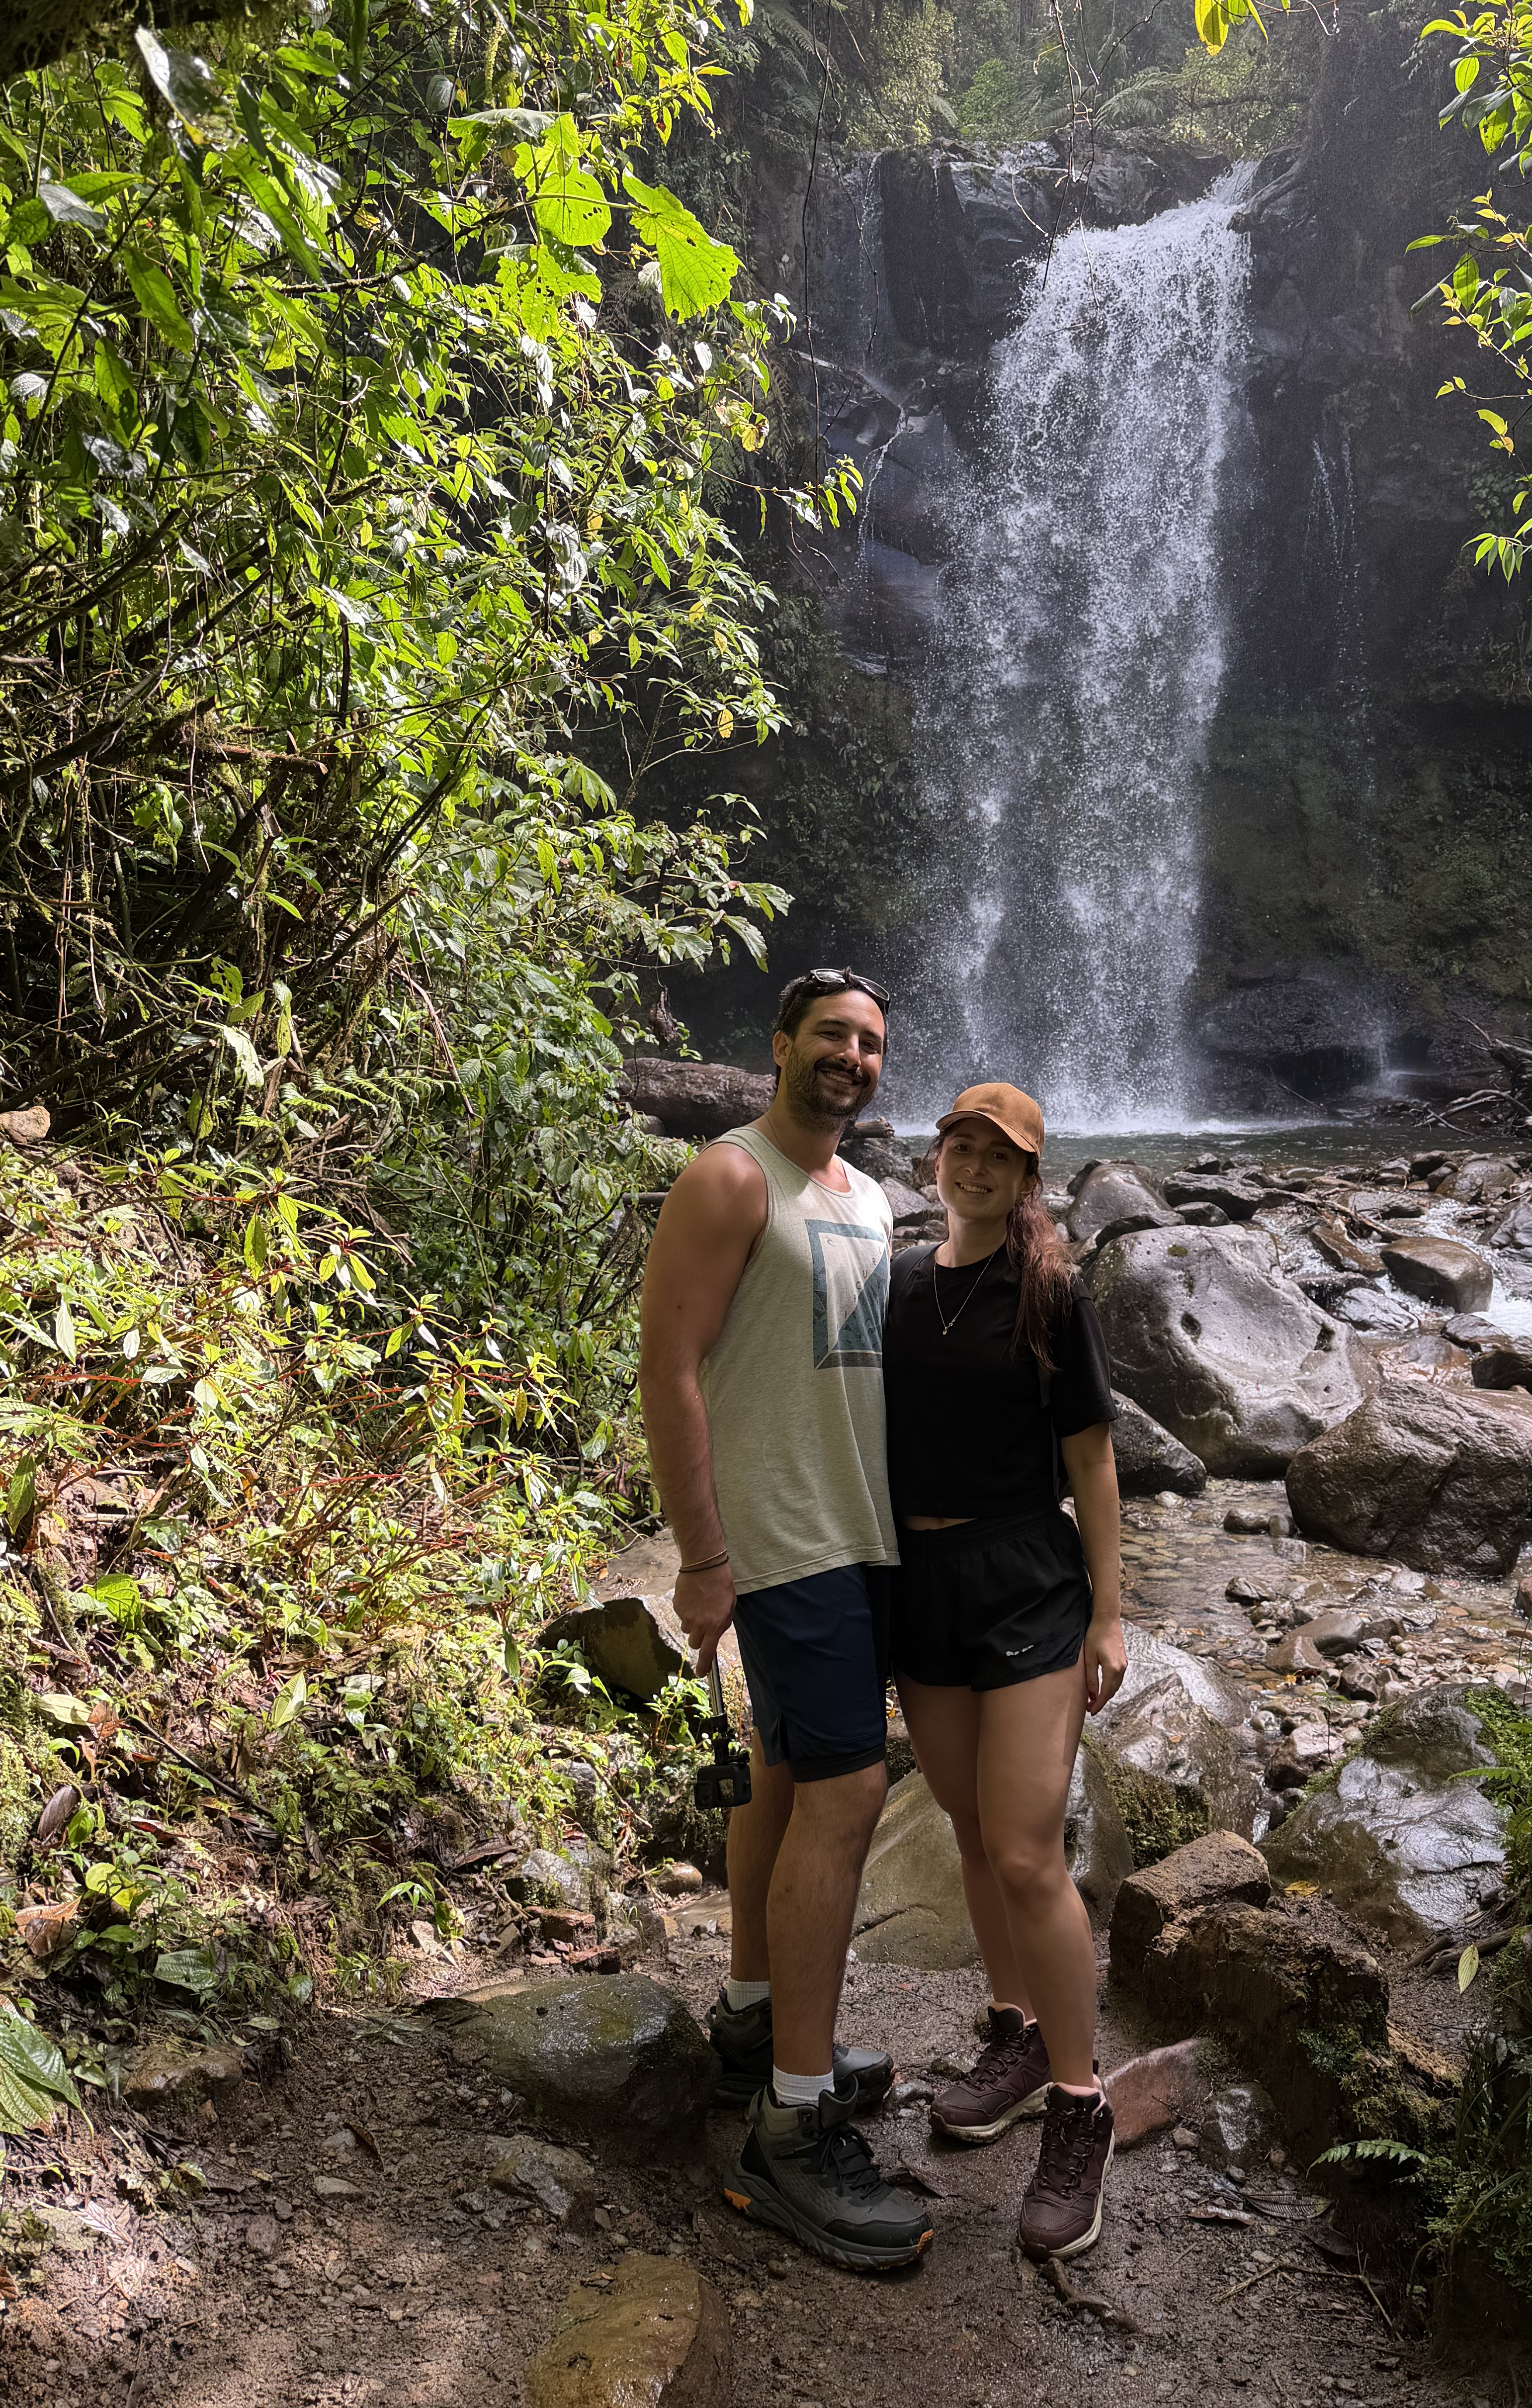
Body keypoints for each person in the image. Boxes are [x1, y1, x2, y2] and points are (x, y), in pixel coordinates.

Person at [636, 966, 933, 2274]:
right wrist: (703, 1556)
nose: (851, 1059)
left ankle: (757, 2024)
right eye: (830, 1036)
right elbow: (669, 1365)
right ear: (778, 1047)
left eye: (869, 1044)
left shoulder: (865, 1198)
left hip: (858, 1534)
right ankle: (790, 2127)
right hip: (782, 1541)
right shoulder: (730, 1176)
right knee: (849, 1797)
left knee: (782, 1773)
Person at [884, 1081, 1128, 2260]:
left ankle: (1082, 2107)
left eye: (1001, 1156)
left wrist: (1111, 1618)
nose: (975, 1167)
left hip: (1028, 1583)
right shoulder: (900, 1284)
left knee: (1028, 1848)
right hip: (922, 1589)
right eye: (961, 1146)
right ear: (938, 1157)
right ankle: (1017, 2030)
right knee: (971, 1830)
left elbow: (1090, 1458)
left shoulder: (1050, 1290)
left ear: (1031, 1180)